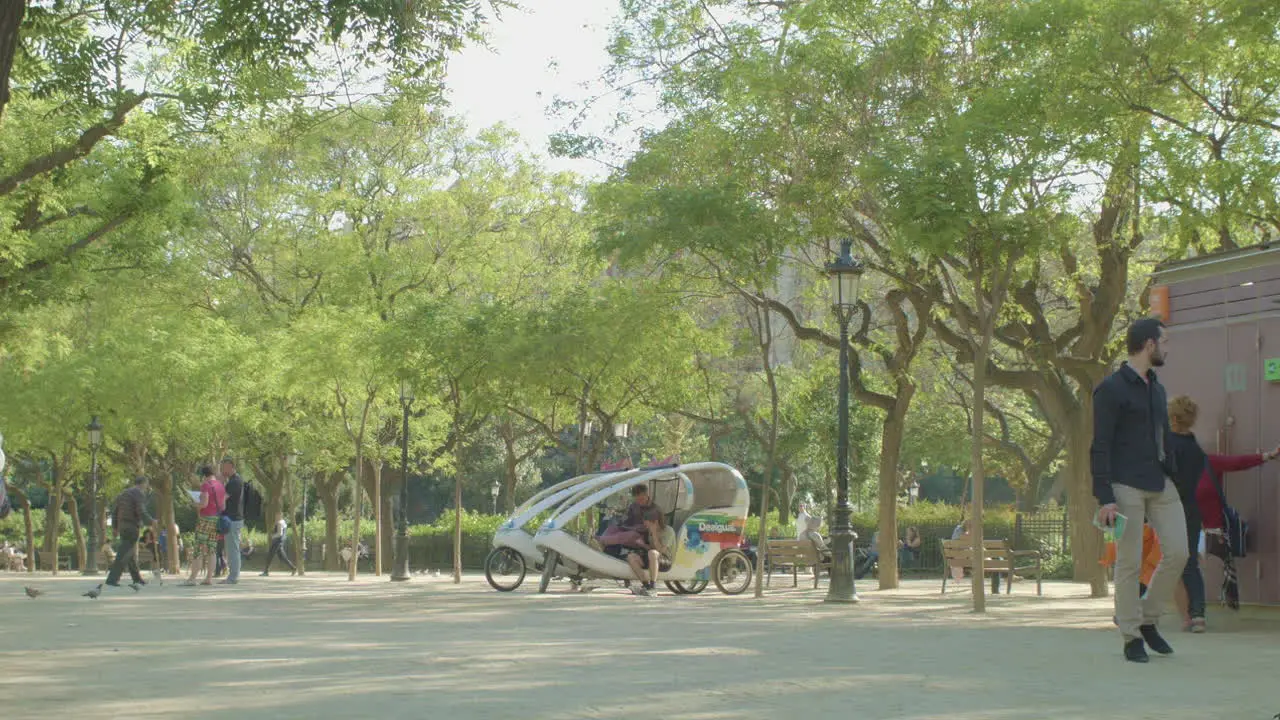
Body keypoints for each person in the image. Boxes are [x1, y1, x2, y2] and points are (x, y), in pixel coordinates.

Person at [1091, 317, 1189, 663]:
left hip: (1160, 482)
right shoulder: (1111, 389)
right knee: (1129, 563)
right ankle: (1131, 635)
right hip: (1124, 486)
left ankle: (1147, 618)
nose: (1168, 347)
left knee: (1179, 552)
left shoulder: (1157, 388)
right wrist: (1105, 498)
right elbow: (1100, 445)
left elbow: (1162, 437)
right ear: (1150, 344)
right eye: (1165, 340)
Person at [106, 476, 156, 588]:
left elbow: (115, 512)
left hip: (123, 526)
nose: (147, 487)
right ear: (144, 483)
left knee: (130, 553)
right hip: (132, 526)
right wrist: (151, 521)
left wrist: (115, 528)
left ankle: (137, 579)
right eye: (146, 485)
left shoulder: (123, 494)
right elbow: (141, 510)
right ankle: (112, 579)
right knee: (123, 554)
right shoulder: (138, 493)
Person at [185, 466, 224, 587]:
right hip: (216, 520)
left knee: (199, 548)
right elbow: (223, 506)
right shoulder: (220, 485)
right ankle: (208, 578)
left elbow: (204, 503)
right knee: (212, 549)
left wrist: (195, 504)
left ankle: (192, 578)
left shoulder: (206, 485)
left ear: (204, 475)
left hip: (205, 519)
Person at [625, 507, 675, 596]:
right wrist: (643, 545)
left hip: (665, 560)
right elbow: (652, 548)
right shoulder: (650, 531)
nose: (644, 524)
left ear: (655, 522)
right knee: (631, 556)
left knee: (652, 553)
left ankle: (653, 586)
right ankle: (646, 586)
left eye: (646, 521)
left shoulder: (668, 531)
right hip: (653, 558)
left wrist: (655, 533)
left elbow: (661, 550)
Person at [220, 458, 246, 585]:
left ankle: (234, 576)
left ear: (230, 466)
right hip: (234, 518)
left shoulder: (234, 482)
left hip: (233, 519)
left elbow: (222, 499)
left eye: (224, 468)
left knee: (232, 549)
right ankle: (233, 575)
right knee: (231, 548)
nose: (222, 470)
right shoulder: (234, 481)